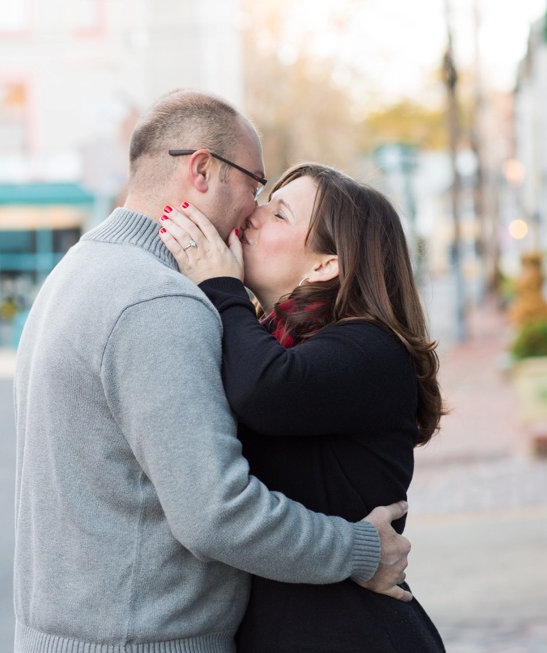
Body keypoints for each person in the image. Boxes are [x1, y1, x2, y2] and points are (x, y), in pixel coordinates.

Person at [13, 90, 413, 653]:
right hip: (147, 640)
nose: (253, 208)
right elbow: (216, 513)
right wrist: (358, 550)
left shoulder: (75, 271)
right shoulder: (160, 301)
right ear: (202, 171)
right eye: (256, 184)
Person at [157, 162, 446, 652]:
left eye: (280, 214)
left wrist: (220, 285)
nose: (253, 213)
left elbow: (266, 392)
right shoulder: (264, 340)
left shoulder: (372, 350)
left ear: (325, 265)